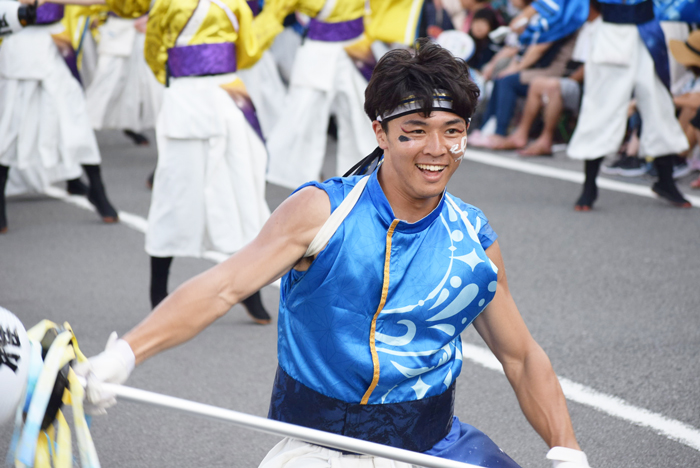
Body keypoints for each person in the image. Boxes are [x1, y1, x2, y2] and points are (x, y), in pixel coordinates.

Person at [78, 40, 591, 468]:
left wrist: (567, 448)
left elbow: (520, 357)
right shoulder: (322, 211)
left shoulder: (474, 237)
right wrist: (123, 355)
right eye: (415, 132)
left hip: (436, 448)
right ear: (381, 134)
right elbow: (225, 286)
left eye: (452, 131)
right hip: (321, 452)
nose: (437, 149)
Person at [0, 1, 120, 234]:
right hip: (19, 45)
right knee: (10, 125)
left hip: (54, 42)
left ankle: (97, 190)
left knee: (75, 118)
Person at [566, 0, 691, 210]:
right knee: (601, 109)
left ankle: (666, 181)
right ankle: (589, 186)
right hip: (610, 32)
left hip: (648, 31)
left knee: (659, 106)